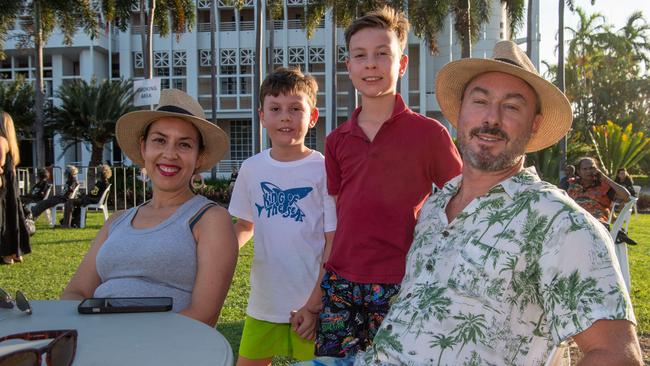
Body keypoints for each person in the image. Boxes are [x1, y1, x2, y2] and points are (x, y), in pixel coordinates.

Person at [354, 40, 643, 365]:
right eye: (480, 101)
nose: (491, 118)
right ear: (460, 112)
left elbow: (618, 355)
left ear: (534, 125)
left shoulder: (558, 222)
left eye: (512, 106)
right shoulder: (436, 207)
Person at [318, 7, 462, 359]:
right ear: (348, 66)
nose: (371, 64)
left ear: (401, 64)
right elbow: (337, 215)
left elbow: (460, 200)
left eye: (382, 54)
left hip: (403, 282)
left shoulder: (430, 134)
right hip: (341, 283)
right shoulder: (336, 140)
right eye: (360, 56)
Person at [61, 89, 238, 327]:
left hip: (164, 349)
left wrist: (126, 338)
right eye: (160, 140)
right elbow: (75, 292)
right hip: (97, 343)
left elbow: (203, 314)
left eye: (184, 145)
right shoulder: (116, 221)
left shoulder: (210, 220)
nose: (169, 154)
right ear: (144, 147)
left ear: (199, 157)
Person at [228, 67, 337, 365]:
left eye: (295, 109)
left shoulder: (325, 169)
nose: (285, 117)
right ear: (262, 116)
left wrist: (315, 303)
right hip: (264, 303)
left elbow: (333, 240)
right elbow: (244, 225)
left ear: (312, 117)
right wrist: (220, 256)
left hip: (312, 304)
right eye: (275, 109)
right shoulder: (251, 169)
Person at [0, 112, 31, 265]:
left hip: (3, 185)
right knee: (14, 216)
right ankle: (16, 252)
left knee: (4, 218)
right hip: (10, 184)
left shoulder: (0, 141)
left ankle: (6, 253)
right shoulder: (11, 143)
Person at [567, 157, 630, 224]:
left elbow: (626, 195)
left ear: (597, 169)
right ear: (579, 172)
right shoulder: (573, 185)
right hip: (574, 221)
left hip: (597, 224)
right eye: (585, 169)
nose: (588, 171)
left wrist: (604, 177)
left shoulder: (603, 186)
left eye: (591, 168)